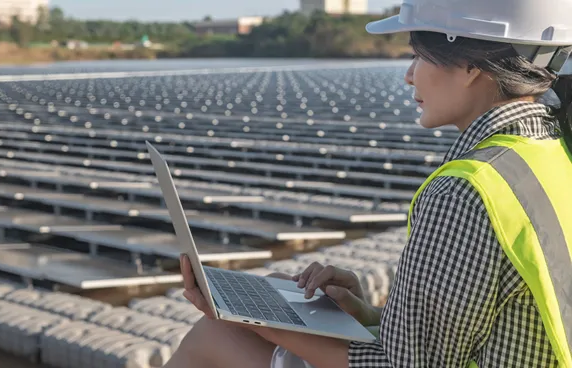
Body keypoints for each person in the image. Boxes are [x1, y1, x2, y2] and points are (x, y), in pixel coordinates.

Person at [163, 0, 572, 366]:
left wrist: (256, 319)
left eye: (418, 56)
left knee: (216, 335)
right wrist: (367, 314)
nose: (410, 77)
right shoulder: (551, 153)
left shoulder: (466, 191)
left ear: (471, 66)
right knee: (257, 305)